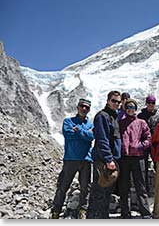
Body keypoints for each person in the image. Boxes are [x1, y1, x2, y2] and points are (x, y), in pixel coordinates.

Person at [50, 99, 94, 219]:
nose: (84, 109)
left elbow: (91, 137)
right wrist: (84, 133)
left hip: (86, 160)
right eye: (82, 106)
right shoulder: (68, 121)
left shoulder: (90, 124)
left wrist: (78, 131)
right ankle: (55, 211)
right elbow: (68, 134)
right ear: (77, 107)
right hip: (70, 159)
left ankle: (82, 210)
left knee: (85, 187)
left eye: (86, 107)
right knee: (63, 186)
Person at [87, 91, 122, 219]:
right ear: (108, 101)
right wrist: (108, 159)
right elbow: (102, 139)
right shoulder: (102, 116)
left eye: (118, 102)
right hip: (103, 161)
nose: (116, 104)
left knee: (106, 192)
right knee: (99, 191)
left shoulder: (113, 117)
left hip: (110, 160)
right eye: (114, 101)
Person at [118, 99, 152, 219]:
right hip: (125, 158)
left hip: (138, 158)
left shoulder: (141, 122)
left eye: (132, 107)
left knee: (140, 186)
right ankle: (125, 213)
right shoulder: (121, 123)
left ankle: (146, 213)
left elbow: (148, 137)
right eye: (128, 107)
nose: (130, 109)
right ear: (125, 109)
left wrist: (141, 146)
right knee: (124, 186)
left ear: (135, 109)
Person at [137, 95, 159, 196]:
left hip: (156, 144)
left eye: (152, 103)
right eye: (149, 103)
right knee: (143, 167)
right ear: (146, 103)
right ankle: (144, 190)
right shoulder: (140, 116)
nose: (151, 105)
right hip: (143, 144)